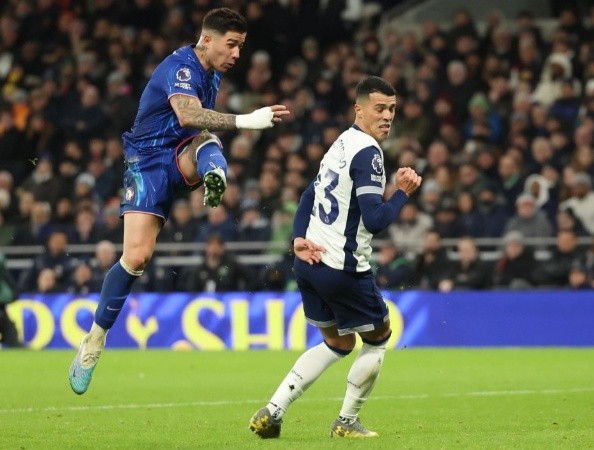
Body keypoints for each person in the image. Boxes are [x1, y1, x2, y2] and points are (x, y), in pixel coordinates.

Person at [68, 8, 290, 395]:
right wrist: (246, 120)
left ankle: (214, 174)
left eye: (241, 46)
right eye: (232, 44)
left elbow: (196, 126)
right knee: (136, 258)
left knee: (207, 141)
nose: (237, 54)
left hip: (182, 155)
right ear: (208, 39)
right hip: (147, 162)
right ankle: (94, 341)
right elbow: (187, 114)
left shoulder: (213, 73)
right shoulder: (182, 66)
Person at [249, 76, 422, 439]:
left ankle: (273, 411)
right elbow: (375, 220)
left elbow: (307, 197)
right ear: (359, 110)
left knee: (338, 343)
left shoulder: (341, 142)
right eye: (379, 108)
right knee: (378, 337)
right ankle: (346, 421)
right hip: (342, 268)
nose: (387, 116)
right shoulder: (369, 153)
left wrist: (298, 237)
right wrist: (402, 193)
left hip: (308, 264)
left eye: (392, 109)